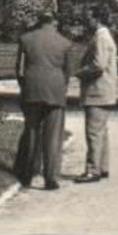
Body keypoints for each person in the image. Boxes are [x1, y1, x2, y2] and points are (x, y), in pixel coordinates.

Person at [14, 12, 71, 190]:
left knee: (31, 131)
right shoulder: (65, 42)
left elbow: (19, 70)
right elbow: (68, 71)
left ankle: (27, 175)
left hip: (32, 89)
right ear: (55, 22)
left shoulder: (25, 39)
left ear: (38, 22)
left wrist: (25, 86)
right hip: (55, 89)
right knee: (53, 135)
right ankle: (50, 177)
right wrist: (61, 86)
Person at [74, 10, 118, 183]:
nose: (87, 22)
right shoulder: (105, 36)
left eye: (89, 18)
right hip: (103, 91)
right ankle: (102, 167)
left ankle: (92, 170)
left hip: (97, 91)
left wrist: (80, 73)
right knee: (101, 132)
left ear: (97, 19)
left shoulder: (100, 37)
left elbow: (98, 65)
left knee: (93, 132)